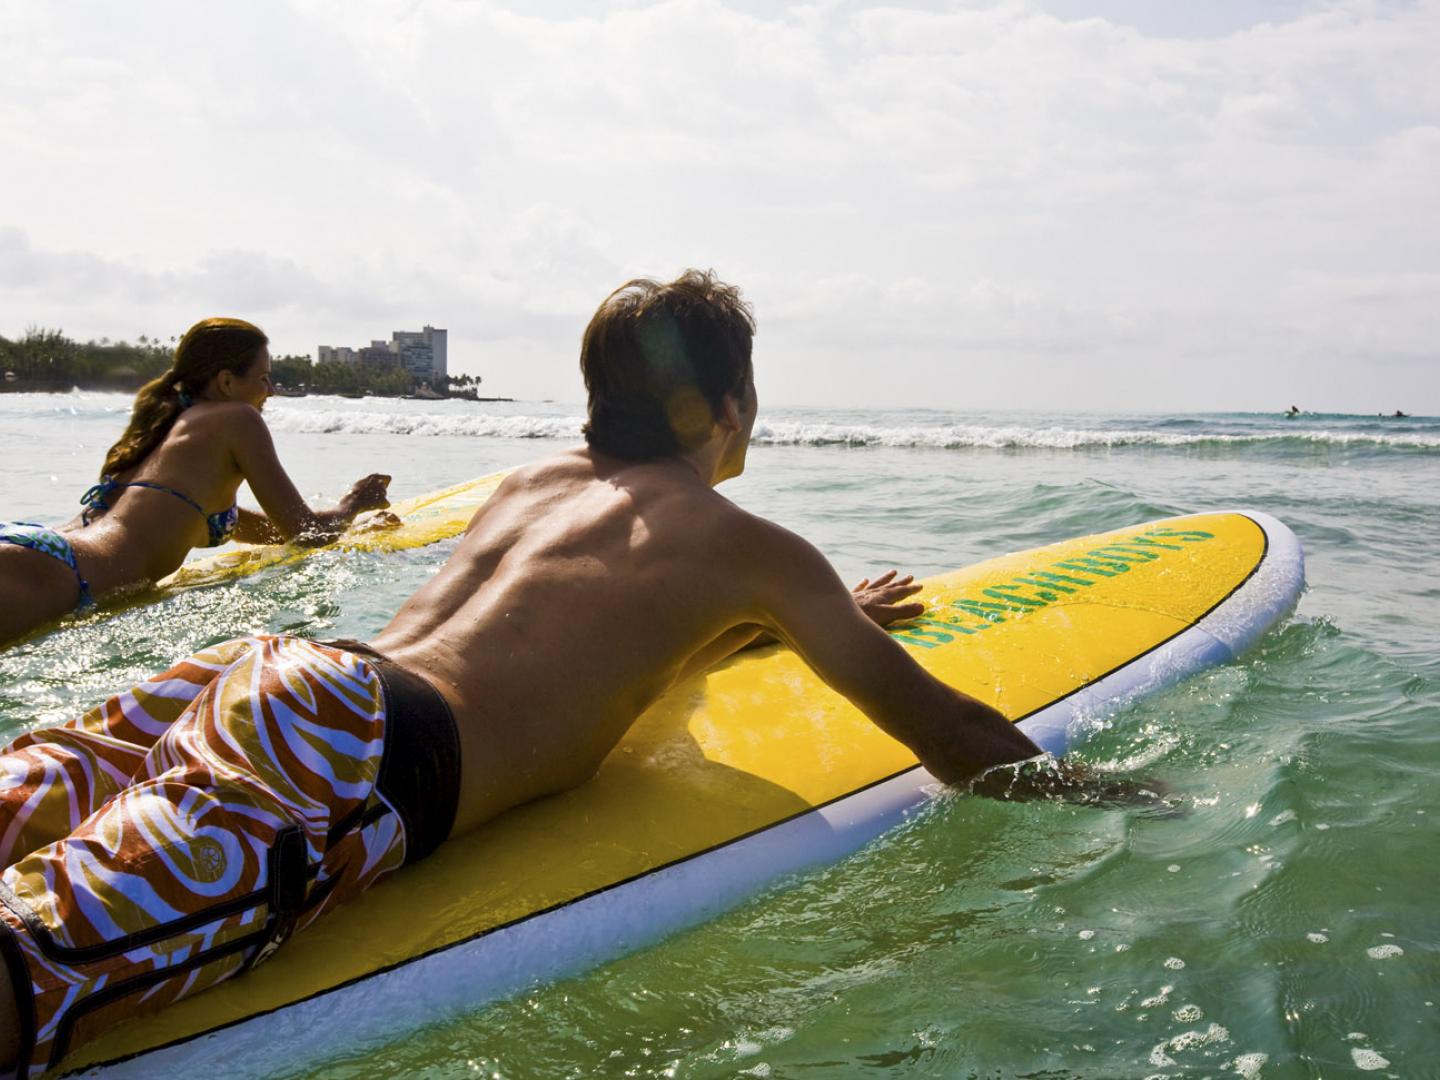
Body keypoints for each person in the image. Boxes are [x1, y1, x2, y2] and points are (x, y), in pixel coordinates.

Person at [0, 273, 1047, 1075]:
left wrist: (792, 622)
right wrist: (1111, 794)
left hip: (273, 676)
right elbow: (951, 736)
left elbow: (582, 634)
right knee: (30, 975)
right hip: (347, 750)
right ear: (727, 404)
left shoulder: (533, 482)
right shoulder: (751, 550)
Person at [0, 318, 394, 646]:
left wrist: (348, 523)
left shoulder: (163, 431)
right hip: (60, 577)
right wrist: (353, 505)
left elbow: (270, 531)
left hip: (38, 552)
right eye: (264, 378)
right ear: (226, 382)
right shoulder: (238, 419)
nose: (270, 391)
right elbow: (304, 532)